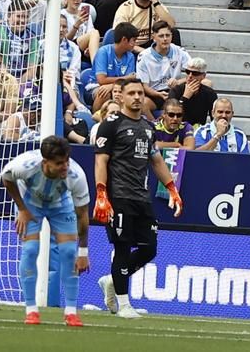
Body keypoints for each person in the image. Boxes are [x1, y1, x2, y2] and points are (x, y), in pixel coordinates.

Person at [93, 77, 183, 321]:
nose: (137, 97)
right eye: (131, 92)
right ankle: (123, 304)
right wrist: (101, 193)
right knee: (122, 249)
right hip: (118, 196)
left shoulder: (147, 127)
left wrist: (172, 187)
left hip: (141, 197)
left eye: (140, 93)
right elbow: (101, 160)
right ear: (120, 96)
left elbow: (155, 159)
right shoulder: (110, 124)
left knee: (149, 249)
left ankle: (112, 281)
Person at [0, 135, 92, 327]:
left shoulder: (76, 176)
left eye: (66, 161)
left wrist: (83, 252)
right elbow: (6, 178)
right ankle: (31, 309)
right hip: (31, 204)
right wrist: (22, 209)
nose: (65, 167)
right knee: (31, 249)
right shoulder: (25, 166)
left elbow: (83, 215)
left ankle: (71, 312)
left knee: (68, 252)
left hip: (61, 205)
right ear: (46, 162)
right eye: (59, 163)